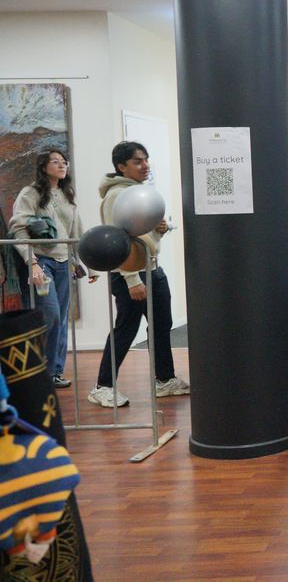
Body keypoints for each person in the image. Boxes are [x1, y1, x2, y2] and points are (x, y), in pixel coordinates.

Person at [88, 142, 189, 407]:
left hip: (153, 270)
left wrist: (160, 229)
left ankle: (165, 380)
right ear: (121, 167)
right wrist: (131, 279)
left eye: (146, 160)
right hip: (130, 276)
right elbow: (116, 241)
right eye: (137, 161)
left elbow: (141, 236)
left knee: (161, 325)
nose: (145, 166)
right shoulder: (116, 196)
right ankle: (103, 386)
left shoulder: (138, 192)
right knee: (126, 330)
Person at [9, 150, 98, 388]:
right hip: (41, 261)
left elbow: (76, 232)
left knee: (60, 319)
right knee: (49, 316)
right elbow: (18, 228)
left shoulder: (67, 194)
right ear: (43, 166)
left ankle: (53, 373)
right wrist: (33, 263)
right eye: (55, 162)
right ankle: (35, 371)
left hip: (62, 264)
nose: (62, 165)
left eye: (64, 162)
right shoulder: (31, 193)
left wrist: (88, 264)